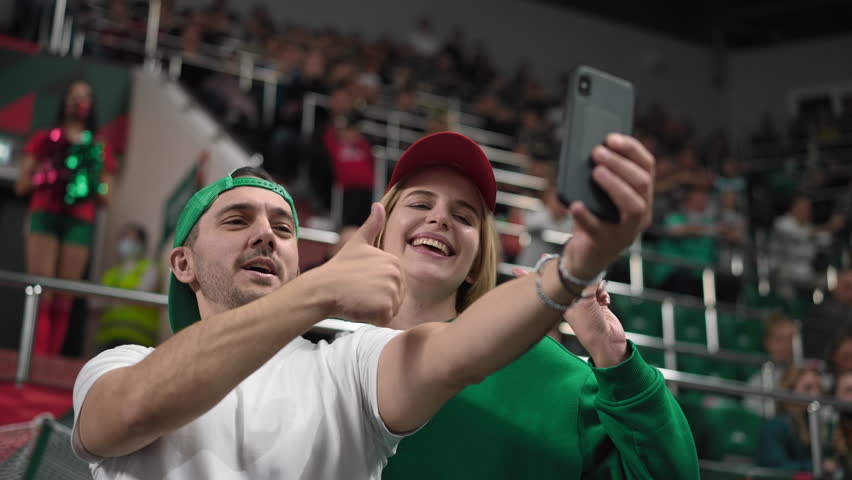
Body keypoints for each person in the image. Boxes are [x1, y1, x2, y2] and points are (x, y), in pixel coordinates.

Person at [71, 127, 652, 479]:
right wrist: (318, 290)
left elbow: (455, 354)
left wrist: (573, 268)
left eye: (283, 226)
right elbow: (133, 411)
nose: (268, 235)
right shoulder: (117, 365)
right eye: (236, 219)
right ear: (183, 264)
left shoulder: (347, 366)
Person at [377, 132, 698, 478]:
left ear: (475, 264)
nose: (439, 218)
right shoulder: (318, 340)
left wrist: (611, 350)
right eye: (421, 204)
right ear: (378, 230)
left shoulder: (544, 370)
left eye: (465, 216)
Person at [15, 79, 116, 355]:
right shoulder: (44, 139)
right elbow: (21, 184)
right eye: (73, 95)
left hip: (79, 221)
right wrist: (49, 174)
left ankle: (48, 361)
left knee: (64, 296)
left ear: (92, 104)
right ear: (64, 101)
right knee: (41, 290)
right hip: (45, 215)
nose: (78, 101)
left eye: (85, 96)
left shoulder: (99, 148)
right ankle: (32, 357)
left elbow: (107, 196)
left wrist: (89, 181)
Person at [94, 223, 160, 352]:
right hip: (107, 338)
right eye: (126, 238)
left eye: (134, 240)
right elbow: (95, 303)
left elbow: (141, 295)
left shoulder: (149, 268)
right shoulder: (111, 273)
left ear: (143, 244)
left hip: (139, 339)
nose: (129, 243)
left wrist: (109, 301)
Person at [756, 367, 829, 473]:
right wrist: (819, 467)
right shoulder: (776, 426)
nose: (816, 394)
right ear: (790, 391)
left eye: (819, 388)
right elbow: (774, 468)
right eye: (808, 388)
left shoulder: (819, 425)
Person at [743, 313, 797, 417]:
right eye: (780, 340)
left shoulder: (809, 374)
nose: (787, 345)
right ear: (768, 343)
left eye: (791, 339)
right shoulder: (757, 383)